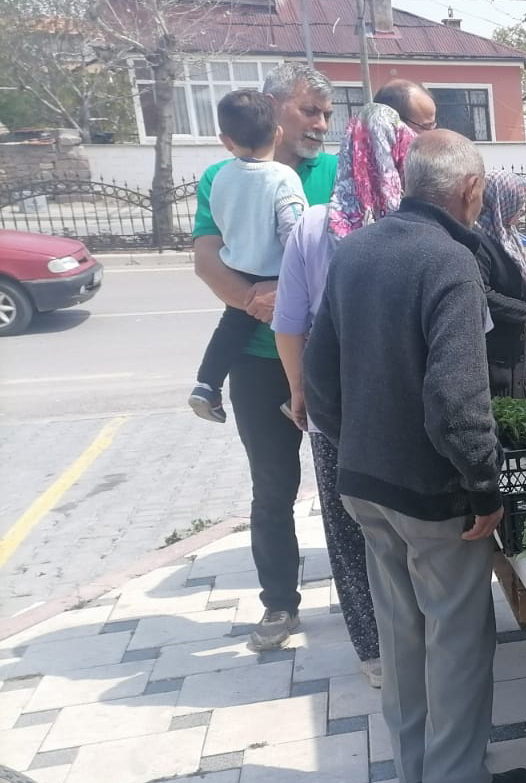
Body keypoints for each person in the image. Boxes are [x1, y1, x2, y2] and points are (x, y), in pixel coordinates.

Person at [303, 130, 526, 783]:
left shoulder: (356, 249)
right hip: (434, 498)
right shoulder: (450, 260)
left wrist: (361, 445)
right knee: (457, 640)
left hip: (364, 483)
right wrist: (485, 490)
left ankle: (414, 768)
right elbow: (456, 400)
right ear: (468, 190)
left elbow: (319, 377)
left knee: (402, 637)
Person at [192, 63, 336, 652]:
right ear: (274, 112)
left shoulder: (338, 172)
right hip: (256, 362)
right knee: (272, 488)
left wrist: (296, 293)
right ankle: (279, 604)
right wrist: (262, 301)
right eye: (310, 110)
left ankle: (369, 601)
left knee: (347, 484)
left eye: (326, 114)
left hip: (331, 357)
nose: (321, 125)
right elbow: (206, 258)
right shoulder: (220, 176)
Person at [274, 103, 418, 689]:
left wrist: (299, 392)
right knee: (411, 523)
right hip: (404, 402)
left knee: (346, 524)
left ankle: (375, 651)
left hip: (334, 404)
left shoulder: (313, 224)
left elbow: (289, 324)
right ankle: (419, 637)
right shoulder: (414, 225)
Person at [187, 90, 308, 423]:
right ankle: (297, 395)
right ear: (278, 133)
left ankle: (207, 384)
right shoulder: (282, 177)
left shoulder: (221, 176)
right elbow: (294, 230)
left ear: (226, 140)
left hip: (239, 270)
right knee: (303, 332)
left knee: (231, 330)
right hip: (279, 274)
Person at [473, 169, 526, 398]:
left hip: (517, 351)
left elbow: (522, 280)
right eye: (519, 203)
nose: (522, 211)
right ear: (502, 201)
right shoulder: (478, 240)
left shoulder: (506, 234)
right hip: (496, 357)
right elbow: (483, 294)